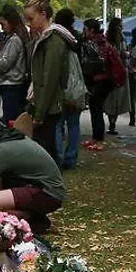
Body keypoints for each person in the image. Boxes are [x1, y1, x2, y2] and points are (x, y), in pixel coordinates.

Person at [25, 0, 73, 164]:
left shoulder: (53, 40)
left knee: (46, 151)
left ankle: (49, 179)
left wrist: (39, 114)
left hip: (49, 106)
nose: (28, 23)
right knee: (45, 149)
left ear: (43, 15)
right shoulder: (44, 38)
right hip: (44, 104)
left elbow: (49, 80)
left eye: (30, 19)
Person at [80, 17, 123, 152]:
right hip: (105, 80)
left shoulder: (95, 43)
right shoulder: (103, 42)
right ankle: (96, 138)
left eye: (85, 29)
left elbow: (94, 63)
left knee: (96, 109)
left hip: (101, 80)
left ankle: (99, 139)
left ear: (91, 30)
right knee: (95, 108)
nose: (84, 32)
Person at [0, 4, 31, 123]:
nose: (2, 28)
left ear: (11, 21)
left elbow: (4, 65)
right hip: (13, 85)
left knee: (11, 121)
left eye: (3, 24)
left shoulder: (15, 39)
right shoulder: (14, 38)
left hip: (12, 85)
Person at [56, 9, 85, 168]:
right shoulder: (78, 39)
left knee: (58, 124)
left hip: (61, 86)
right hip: (77, 87)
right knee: (74, 124)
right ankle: (71, 158)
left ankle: (58, 157)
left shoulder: (57, 38)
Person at [104, 17, 134, 135]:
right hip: (120, 71)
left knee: (111, 98)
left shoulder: (107, 38)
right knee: (118, 98)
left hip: (110, 72)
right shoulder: (121, 39)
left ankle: (111, 123)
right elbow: (123, 53)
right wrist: (126, 54)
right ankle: (113, 123)